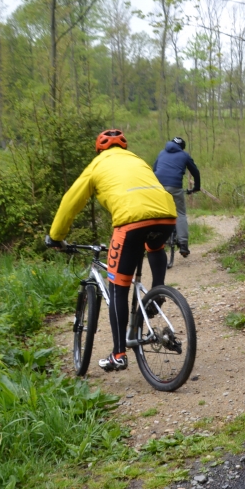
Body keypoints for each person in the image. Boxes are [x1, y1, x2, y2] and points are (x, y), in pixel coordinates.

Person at [46, 130, 177, 372]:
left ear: (99, 150)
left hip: (130, 222)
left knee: (118, 287)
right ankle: (157, 291)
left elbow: (70, 201)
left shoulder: (96, 165)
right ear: (124, 148)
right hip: (167, 216)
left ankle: (118, 354)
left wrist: (56, 237)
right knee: (154, 245)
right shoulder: (138, 160)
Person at [153, 136, 201, 257]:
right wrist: (196, 188)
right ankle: (183, 244)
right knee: (180, 213)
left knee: (160, 212)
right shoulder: (184, 155)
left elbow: (154, 170)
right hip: (174, 186)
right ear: (182, 147)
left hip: (158, 186)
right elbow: (195, 172)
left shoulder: (161, 153)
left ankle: (156, 240)